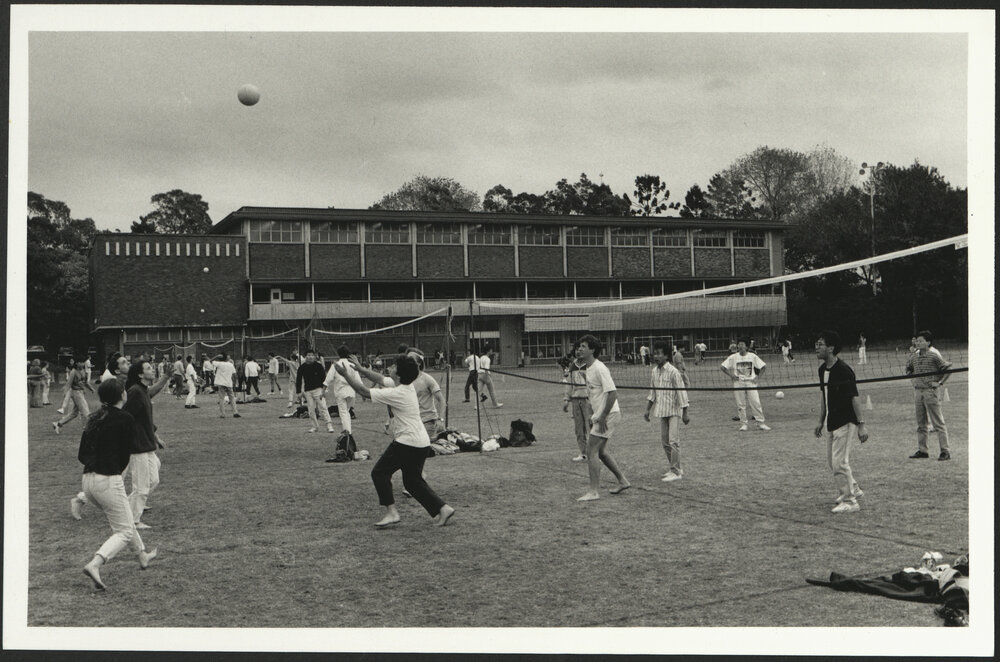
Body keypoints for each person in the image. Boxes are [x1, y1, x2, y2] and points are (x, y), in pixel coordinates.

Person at [334, 354, 455, 528]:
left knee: (379, 473)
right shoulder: (405, 385)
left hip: (408, 442)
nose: (389, 368)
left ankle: (392, 513)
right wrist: (360, 369)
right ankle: (443, 509)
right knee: (413, 482)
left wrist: (346, 375)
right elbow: (381, 378)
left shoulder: (397, 392)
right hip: (420, 442)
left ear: (398, 374)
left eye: (393, 366)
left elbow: (363, 391)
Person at [76, 379, 158, 590]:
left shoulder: (95, 417)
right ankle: (96, 563)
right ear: (122, 395)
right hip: (108, 480)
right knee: (124, 531)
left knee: (126, 520)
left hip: (87, 480)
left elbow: (81, 454)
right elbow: (129, 450)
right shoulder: (125, 418)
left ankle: (142, 556)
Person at [814, 331, 868, 513]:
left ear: (831, 348)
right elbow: (824, 396)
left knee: (839, 463)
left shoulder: (844, 370)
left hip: (846, 421)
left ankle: (850, 501)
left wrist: (861, 425)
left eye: (820, 344)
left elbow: (854, 398)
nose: (817, 347)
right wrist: (821, 420)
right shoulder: (822, 370)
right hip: (832, 420)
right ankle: (854, 489)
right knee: (833, 462)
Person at [575, 335, 630, 501]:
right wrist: (594, 414)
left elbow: (613, 393)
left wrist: (603, 416)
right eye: (579, 346)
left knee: (591, 450)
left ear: (592, 350)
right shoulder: (587, 368)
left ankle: (593, 491)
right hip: (602, 415)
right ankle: (623, 481)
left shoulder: (600, 368)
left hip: (609, 414)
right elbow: (595, 395)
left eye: (583, 346)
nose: (579, 349)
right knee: (601, 452)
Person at [123, 360, 173, 529]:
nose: (152, 370)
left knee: (154, 480)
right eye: (149, 368)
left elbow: (152, 393)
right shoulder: (135, 392)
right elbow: (126, 417)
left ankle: (125, 509)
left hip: (147, 443)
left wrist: (166, 377)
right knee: (142, 485)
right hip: (137, 446)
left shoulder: (142, 390)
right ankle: (134, 521)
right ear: (140, 374)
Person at [644, 341, 690, 482]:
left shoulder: (673, 372)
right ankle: (676, 467)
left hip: (674, 411)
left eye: (659, 353)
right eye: (654, 353)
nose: (655, 356)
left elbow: (681, 393)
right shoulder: (654, 371)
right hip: (662, 411)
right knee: (665, 442)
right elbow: (653, 393)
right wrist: (647, 410)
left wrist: (685, 412)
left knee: (673, 441)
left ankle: (675, 472)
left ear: (666, 356)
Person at [905, 330, 952, 461]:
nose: (918, 343)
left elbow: (948, 368)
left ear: (928, 342)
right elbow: (908, 369)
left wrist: (940, 383)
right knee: (921, 423)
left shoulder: (933, 355)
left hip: (930, 391)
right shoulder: (914, 356)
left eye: (921, 341)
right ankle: (923, 450)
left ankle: (945, 451)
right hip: (918, 391)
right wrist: (913, 379)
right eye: (917, 341)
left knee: (938, 423)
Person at [720, 339, 772, 432]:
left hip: (751, 383)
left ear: (746, 347)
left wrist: (757, 377)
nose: (740, 346)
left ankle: (760, 423)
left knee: (756, 403)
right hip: (738, 383)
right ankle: (743, 424)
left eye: (742, 344)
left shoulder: (752, 356)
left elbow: (764, 367)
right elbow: (722, 367)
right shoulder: (733, 357)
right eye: (739, 344)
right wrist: (732, 375)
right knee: (740, 405)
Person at [560, 343, 591, 463]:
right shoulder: (572, 366)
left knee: (591, 427)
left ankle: (594, 453)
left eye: (580, 349)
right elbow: (569, 384)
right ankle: (583, 453)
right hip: (575, 400)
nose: (578, 352)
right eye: (576, 350)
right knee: (579, 429)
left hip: (588, 400)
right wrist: (566, 399)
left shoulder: (590, 365)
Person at [296, 348, 334, 433]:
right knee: (311, 410)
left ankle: (329, 425)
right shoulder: (302, 367)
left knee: (323, 407)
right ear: (305, 357)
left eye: (312, 355)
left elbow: (324, 378)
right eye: (308, 355)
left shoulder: (318, 366)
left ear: (314, 356)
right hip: (308, 391)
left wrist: (324, 390)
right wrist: (298, 392)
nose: (310, 357)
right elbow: (298, 380)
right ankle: (314, 426)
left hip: (318, 390)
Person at [53, 359, 96, 434]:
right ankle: (86, 429)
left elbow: (85, 382)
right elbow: (69, 383)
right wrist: (65, 392)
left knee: (74, 413)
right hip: (76, 392)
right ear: (77, 363)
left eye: (83, 362)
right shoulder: (73, 372)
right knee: (85, 411)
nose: (82, 364)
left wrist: (91, 388)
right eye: (80, 362)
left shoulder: (84, 371)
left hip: (81, 392)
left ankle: (58, 424)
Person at [325, 345, 358, 437]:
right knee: (346, 412)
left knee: (343, 412)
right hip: (351, 391)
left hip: (341, 391)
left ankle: (348, 432)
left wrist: (324, 390)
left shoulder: (336, 365)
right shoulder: (352, 364)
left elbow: (328, 379)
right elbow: (358, 380)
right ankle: (348, 431)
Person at [211, 353, 241, 418]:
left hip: (221, 383)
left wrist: (216, 356)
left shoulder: (219, 364)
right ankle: (235, 412)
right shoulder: (231, 364)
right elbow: (234, 375)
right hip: (229, 383)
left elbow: (210, 361)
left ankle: (223, 414)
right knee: (232, 398)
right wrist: (234, 383)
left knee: (221, 399)